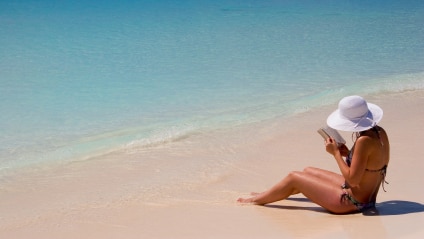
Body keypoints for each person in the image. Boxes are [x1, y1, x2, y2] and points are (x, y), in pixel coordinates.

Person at [237, 95, 390, 214]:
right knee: (308, 171)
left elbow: (353, 180)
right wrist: (349, 153)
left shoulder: (363, 140)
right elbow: (372, 164)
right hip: (367, 198)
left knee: (294, 177)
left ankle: (256, 200)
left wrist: (336, 153)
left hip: (352, 202)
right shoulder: (380, 132)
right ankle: (270, 194)